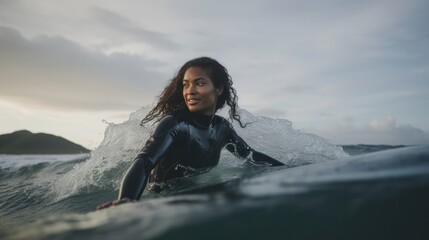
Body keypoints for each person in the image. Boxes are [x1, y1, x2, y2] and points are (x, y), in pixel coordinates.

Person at [96, 57, 284, 210]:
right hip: (163, 199)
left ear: (218, 88)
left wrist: (286, 169)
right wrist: (127, 201)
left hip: (197, 195)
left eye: (199, 83)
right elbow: (144, 161)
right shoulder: (176, 124)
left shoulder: (221, 127)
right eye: (186, 85)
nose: (190, 91)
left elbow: (249, 156)